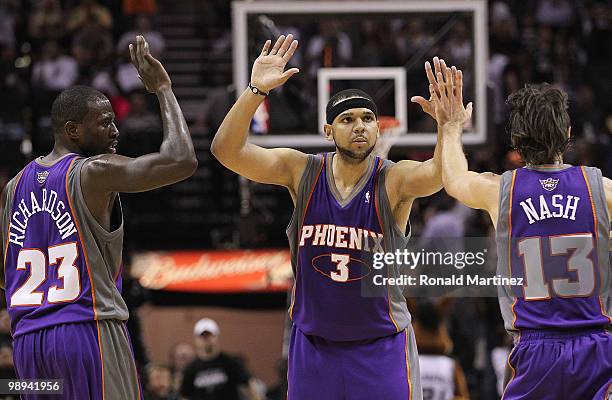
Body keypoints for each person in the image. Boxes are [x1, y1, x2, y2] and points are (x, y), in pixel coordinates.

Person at [212, 34, 447, 400]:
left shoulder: (393, 179)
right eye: (347, 118)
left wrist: (448, 128)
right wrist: (255, 90)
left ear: (377, 129)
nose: (360, 126)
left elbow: (438, 174)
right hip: (314, 347)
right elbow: (226, 151)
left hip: (380, 346)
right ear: (327, 131)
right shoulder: (300, 171)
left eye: (368, 118)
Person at [0, 35, 197, 399]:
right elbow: (181, 161)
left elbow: (5, 274)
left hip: (28, 346)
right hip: (86, 332)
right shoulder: (92, 171)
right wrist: (164, 89)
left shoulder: (14, 186)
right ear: (73, 130)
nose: (115, 130)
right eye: (105, 122)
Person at [429, 63, 611, 399]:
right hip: (596, 347)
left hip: (534, 350)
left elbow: (453, 179)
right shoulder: (602, 190)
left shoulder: (501, 191)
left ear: (515, 140)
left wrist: (451, 125)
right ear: (568, 133)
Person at [180, 318, 262, 400]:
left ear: (216, 336)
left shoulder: (230, 362)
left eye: (209, 336)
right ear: (196, 339)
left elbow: (248, 388)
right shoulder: (191, 369)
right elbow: (185, 395)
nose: (206, 340)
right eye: (202, 336)